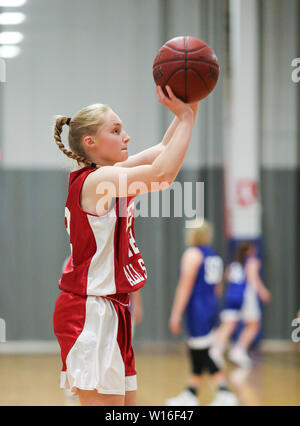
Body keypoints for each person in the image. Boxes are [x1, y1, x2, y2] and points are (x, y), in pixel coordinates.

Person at [52, 85, 200, 406]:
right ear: (90, 142)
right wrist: (186, 118)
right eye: (116, 131)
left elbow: (163, 148)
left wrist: (192, 101)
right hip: (87, 311)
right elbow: (162, 175)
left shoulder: (110, 174)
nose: (126, 137)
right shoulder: (95, 182)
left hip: (114, 309)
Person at [166, 220, 238, 406]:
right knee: (196, 350)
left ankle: (224, 391)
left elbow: (185, 286)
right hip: (211, 306)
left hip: (197, 308)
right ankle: (191, 392)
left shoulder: (192, 254)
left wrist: (175, 314)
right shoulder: (214, 256)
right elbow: (218, 288)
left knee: (202, 352)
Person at [210, 242, 271, 370]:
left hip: (231, 294)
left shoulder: (233, 264)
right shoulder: (252, 260)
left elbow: (226, 277)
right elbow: (252, 277)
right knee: (253, 324)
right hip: (246, 295)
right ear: (250, 250)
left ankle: (217, 349)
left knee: (228, 324)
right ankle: (238, 350)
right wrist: (262, 291)